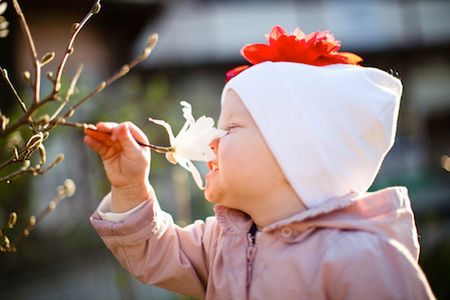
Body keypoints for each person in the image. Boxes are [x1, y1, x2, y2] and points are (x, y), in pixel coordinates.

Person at [84, 26, 435, 299]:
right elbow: (156, 252)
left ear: (295, 154)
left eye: (230, 127)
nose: (212, 140)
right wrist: (129, 185)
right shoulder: (223, 241)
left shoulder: (362, 260)